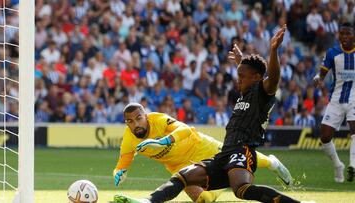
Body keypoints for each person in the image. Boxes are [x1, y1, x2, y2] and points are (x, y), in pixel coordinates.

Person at [114, 25, 310, 203]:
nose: (238, 81)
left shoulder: (263, 93)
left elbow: (272, 78)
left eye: (241, 77)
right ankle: (148, 201)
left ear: (258, 78)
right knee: (182, 176)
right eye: (238, 76)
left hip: (242, 151)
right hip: (225, 153)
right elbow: (250, 75)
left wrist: (274, 51)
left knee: (242, 189)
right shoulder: (246, 93)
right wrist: (241, 62)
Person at [113, 103, 293, 203]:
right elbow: (123, 163)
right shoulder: (129, 139)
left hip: (200, 146)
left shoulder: (158, 119)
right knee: (203, 200)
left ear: (145, 116)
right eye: (130, 121)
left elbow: (184, 130)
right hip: (179, 165)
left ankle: (271, 163)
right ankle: (221, 185)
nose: (136, 124)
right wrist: (119, 173)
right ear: (126, 123)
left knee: (238, 157)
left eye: (138, 118)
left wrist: (162, 141)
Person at [313, 22, 355, 183]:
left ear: (353, 36)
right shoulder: (332, 53)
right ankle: (338, 166)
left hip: (354, 99)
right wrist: (318, 78)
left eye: (348, 34)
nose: (344, 37)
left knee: (354, 130)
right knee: (324, 136)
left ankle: (353, 165)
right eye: (342, 34)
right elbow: (322, 73)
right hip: (336, 99)